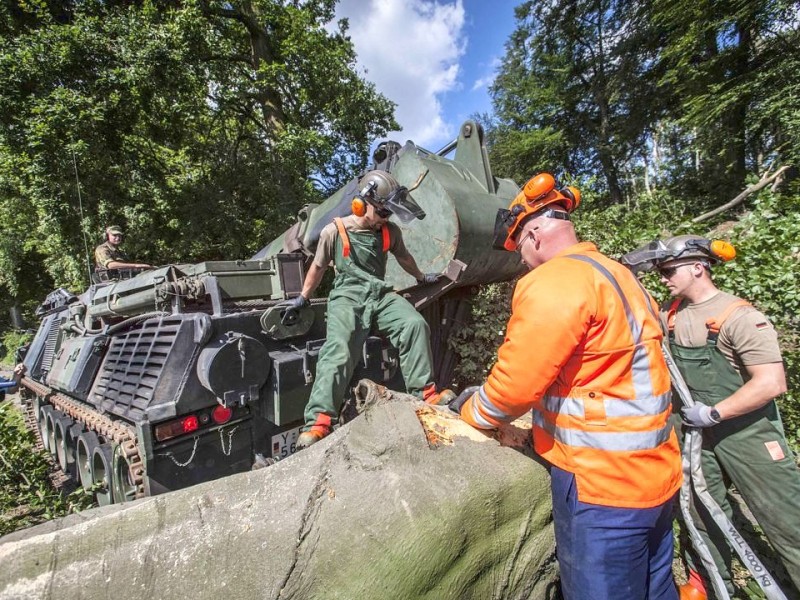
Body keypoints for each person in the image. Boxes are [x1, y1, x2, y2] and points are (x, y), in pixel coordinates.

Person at [447, 173, 682, 600]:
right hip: (657, 474)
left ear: (533, 235)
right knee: (656, 589)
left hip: (602, 488)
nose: (523, 260)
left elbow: (514, 387)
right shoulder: (618, 275)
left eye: (520, 249)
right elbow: (597, 375)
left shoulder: (555, 281)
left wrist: (471, 415)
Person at [628, 235, 800, 600]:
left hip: (746, 430)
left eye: (669, 270)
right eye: (660, 272)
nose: (664, 278)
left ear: (698, 267)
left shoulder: (739, 316)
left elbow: (771, 382)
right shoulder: (669, 315)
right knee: (700, 509)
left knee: (785, 516)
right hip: (694, 432)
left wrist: (715, 412)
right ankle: (708, 582)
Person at [281, 170, 450, 449]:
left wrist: (421, 278)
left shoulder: (389, 232)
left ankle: (426, 394)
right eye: (383, 212)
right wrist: (303, 298)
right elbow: (318, 267)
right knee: (339, 348)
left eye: (389, 214)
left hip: (379, 294)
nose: (387, 218)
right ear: (361, 204)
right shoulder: (333, 231)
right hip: (347, 297)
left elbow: (405, 258)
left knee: (414, 324)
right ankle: (319, 421)